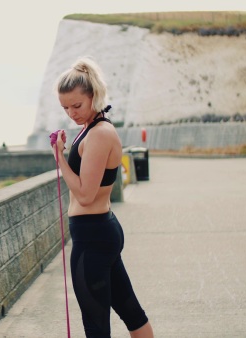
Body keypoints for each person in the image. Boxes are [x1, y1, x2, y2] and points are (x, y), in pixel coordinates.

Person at [51, 56, 154, 338]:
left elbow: (84, 194)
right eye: (65, 107)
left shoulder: (98, 134)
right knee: (132, 313)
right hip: (100, 231)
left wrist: (59, 156)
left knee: (96, 328)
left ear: (93, 96)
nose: (71, 113)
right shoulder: (91, 130)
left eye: (77, 105)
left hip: (92, 235)